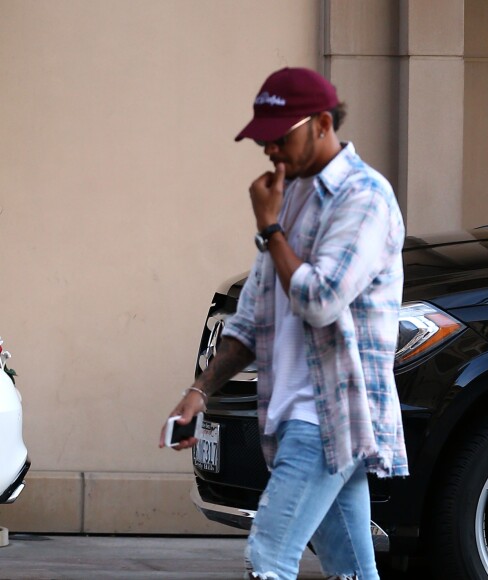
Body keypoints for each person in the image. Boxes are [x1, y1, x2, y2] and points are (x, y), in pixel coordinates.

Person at [160, 67, 408, 580]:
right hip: (293, 412)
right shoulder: (289, 194)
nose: (270, 150)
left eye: (279, 136)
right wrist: (200, 390)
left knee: (268, 557)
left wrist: (270, 228)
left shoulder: (364, 199)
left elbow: (320, 300)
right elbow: (254, 315)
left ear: (321, 123)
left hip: (328, 414)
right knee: (353, 570)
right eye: (263, 141)